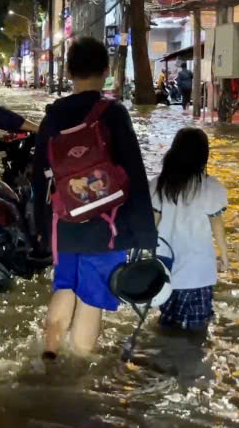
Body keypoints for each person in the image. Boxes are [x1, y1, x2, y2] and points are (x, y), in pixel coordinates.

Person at [34, 37, 157, 359]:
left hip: (65, 222)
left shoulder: (53, 115)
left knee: (65, 286)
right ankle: (78, 369)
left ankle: (49, 354)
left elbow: (39, 177)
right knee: (92, 295)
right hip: (106, 223)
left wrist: (42, 227)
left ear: (68, 71)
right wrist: (145, 232)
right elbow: (134, 172)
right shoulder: (113, 113)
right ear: (106, 71)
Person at [149, 127, 229, 334]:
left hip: (164, 271)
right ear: (204, 155)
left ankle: (161, 362)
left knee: (165, 325)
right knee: (195, 334)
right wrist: (224, 256)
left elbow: (152, 226)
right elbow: (217, 225)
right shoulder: (212, 187)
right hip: (197, 274)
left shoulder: (157, 185)